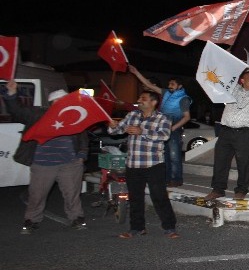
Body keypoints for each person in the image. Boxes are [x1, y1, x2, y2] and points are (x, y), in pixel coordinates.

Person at [4, 82, 88, 234]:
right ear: (51, 103)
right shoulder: (38, 114)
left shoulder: (74, 115)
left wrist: (81, 155)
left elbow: (83, 137)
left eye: (64, 100)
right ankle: (31, 220)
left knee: (72, 194)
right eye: (58, 101)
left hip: (70, 163)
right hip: (43, 164)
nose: (62, 104)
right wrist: (11, 94)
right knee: (37, 194)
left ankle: (76, 218)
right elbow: (16, 111)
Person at [107, 90, 179, 239]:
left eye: (143, 98)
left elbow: (164, 135)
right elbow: (117, 131)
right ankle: (137, 228)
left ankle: (169, 227)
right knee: (135, 198)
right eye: (139, 97)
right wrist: (113, 126)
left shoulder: (162, 118)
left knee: (159, 196)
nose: (139, 100)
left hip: (154, 164)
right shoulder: (132, 115)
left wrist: (142, 131)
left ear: (153, 102)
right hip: (133, 164)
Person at [204, 68, 249, 201]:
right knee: (220, 162)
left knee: (244, 163)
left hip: (245, 134)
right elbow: (221, 80)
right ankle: (218, 189)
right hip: (226, 132)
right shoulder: (232, 90)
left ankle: (241, 190)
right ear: (242, 81)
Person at [128, 65, 191, 187]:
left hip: (173, 129)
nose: (169, 86)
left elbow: (187, 117)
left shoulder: (183, 99)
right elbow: (150, 85)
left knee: (174, 156)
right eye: (169, 83)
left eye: (172, 84)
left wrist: (173, 128)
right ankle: (167, 179)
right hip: (163, 128)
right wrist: (136, 72)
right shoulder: (166, 93)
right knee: (164, 155)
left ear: (180, 86)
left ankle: (176, 179)